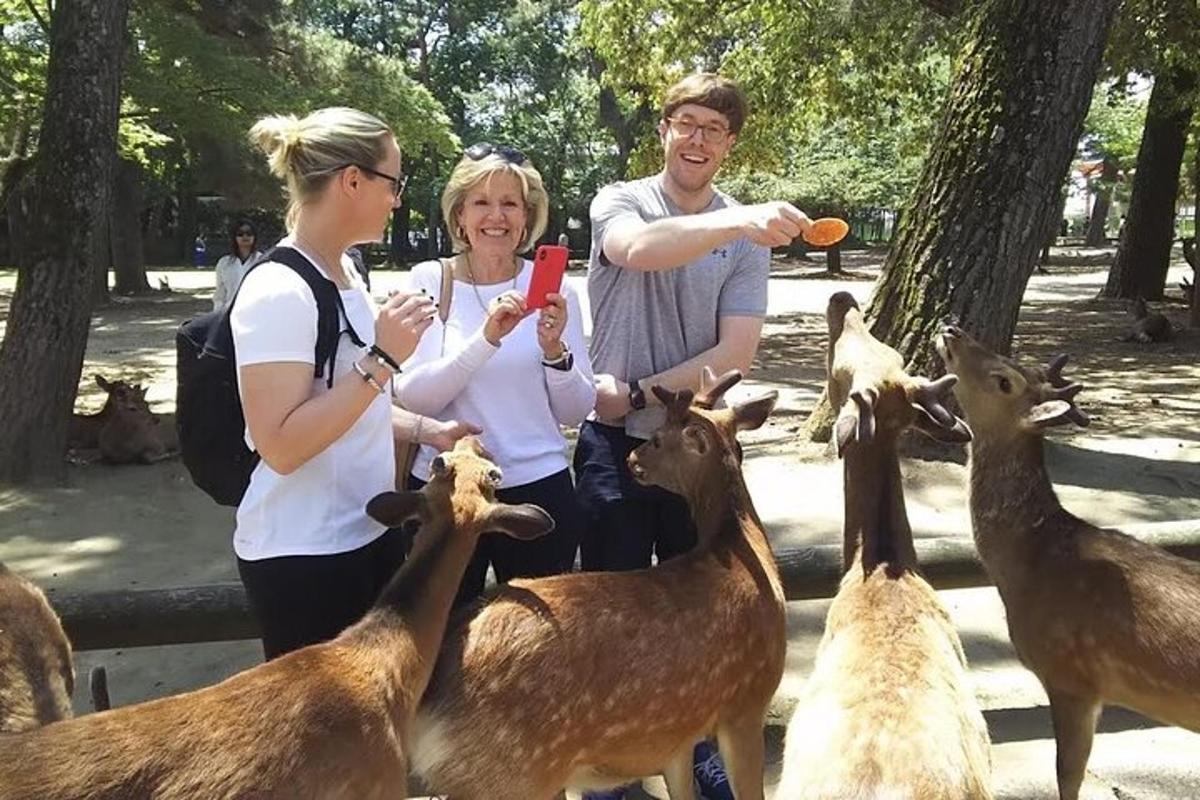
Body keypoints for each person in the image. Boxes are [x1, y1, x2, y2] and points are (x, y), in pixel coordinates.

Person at [573, 73, 813, 800]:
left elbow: (735, 352)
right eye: (687, 122)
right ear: (665, 131)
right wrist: (738, 222)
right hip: (612, 443)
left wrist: (649, 394)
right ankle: (613, 765)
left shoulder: (747, 235)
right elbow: (638, 250)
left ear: (730, 144)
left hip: (693, 455)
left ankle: (696, 744)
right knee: (612, 605)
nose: (699, 138)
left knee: (701, 614)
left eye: (714, 128)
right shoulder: (621, 201)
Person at [233, 106, 467, 661]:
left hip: (367, 535)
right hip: (306, 557)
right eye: (394, 182)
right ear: (353, 180)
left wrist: (428, 430)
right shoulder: (277, 289)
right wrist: (383, 357)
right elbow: (282, 445)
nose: (398, 199)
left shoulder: (347, 273)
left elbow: (347, 407)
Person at [394, 143, 595, 603]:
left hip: (538, 490)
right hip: (446, 489)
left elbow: (576, 410)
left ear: (528, 216)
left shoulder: (555, 289)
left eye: (510, 203)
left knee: (535, 654)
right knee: (438, 641)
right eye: (481, 202)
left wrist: (553, 351)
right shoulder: (430, 279)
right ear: (459, 214)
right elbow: (414, 396)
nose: (496, 216)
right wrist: (485, 340)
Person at [212, 219, 262, 310]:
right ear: (234, 237)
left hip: (255, 311)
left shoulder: (263, 261)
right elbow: (220, 295)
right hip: (229, 313)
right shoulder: (224, 263)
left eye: (249, 233)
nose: (245, 236)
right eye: (240, 233)